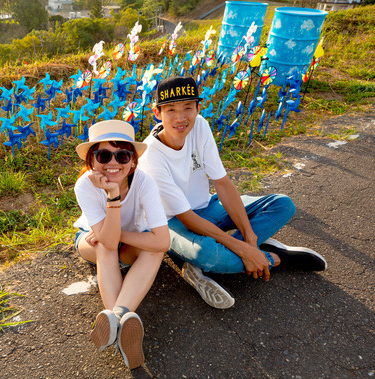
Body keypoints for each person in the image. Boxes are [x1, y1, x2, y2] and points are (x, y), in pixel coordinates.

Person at [138, 76, 327, 309]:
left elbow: (223, 184)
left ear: (199, 107)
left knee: (282, 204)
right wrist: (243, 248)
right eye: (171, 110)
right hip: (172, 222)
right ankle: (276, 258)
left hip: (207, 207)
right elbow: (185, 216)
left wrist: (249, 237)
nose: (180, 117)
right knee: (210, 255)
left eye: (188, 107)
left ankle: (213, 262)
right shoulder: (151, 156)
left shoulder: (201, 127)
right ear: (157, 113)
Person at [73, 119, 170, 369]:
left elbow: (163, 241)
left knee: (154, 250)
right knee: (104, 247)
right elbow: (107, 241)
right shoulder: (84, 185)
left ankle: (115, 319)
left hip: (122, 241)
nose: (113, 163)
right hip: (92, 242)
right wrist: (112, 196)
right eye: (104, 155)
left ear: (133, 161)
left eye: (123, 155)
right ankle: (121, 322)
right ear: (91, 161)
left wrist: (114, 232)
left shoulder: (145, 182)